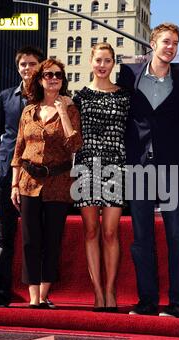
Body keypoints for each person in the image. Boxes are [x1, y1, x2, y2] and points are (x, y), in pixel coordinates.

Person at [117, 23, 179, 317]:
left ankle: (177, 302)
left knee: (176, 236)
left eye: (175, 43)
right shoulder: (129, 76)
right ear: (153, 44)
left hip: (171, 168)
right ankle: (146, 300)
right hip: (138, 168)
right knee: (141, 237)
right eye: (166, 42)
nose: (170, 47)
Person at [11, 58, 82, 308]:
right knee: (30, 240)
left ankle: (43, 295)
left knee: (52, 239)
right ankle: (33, 298)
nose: (53, 78)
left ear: (63, 81)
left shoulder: (71, 109)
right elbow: (19, 148)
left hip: (59, 183)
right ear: (40, 80)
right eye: (48, 74)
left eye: (58, 75)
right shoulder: (28, 110)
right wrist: (14, 184)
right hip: (28, 181)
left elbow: (75, 145)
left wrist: (63, 112)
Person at [0, 46, 45, 307]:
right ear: (18, 68)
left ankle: (39, 295)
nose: (27, 68)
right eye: (23, 64)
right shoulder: (6, 97)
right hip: (5, 175)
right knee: (2, 237)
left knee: (39, 236)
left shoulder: (51, 98)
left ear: (41, 66)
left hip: (40, 177)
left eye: (32, 64)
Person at [72, 43, 130, 312]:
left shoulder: (124, 96)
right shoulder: (79, 97)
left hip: (115, 167)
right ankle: (97, 293)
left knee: (110, 232)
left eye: (108, 60)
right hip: (86, 168)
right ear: (90, 61)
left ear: (114, 63)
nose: (103, 65)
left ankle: (110, 291)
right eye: (98, 60)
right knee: (91, 231)